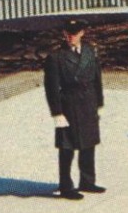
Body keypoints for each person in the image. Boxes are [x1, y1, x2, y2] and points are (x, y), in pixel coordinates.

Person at [44, 19, 105, 199]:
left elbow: (97, 79)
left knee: (88, 144)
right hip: (68, 104)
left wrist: (98, 102)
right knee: (67, 147)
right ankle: (65, 186)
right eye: (68, 33)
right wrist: (57, 113)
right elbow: (52, 87)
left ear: (82, 33)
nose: (70, 37)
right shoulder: (56, 57)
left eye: (74, 33)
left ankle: (87, 181)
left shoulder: (89, 51)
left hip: (87, 102)